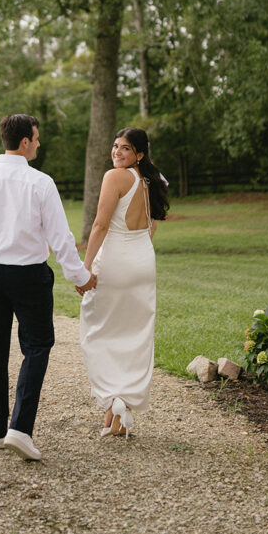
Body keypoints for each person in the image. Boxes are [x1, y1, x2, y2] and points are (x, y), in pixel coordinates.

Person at [0, 113, 96, 461]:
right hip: (28, 276)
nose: (39, 143)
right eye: (36, 138)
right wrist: (81, 277)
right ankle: (20, 428)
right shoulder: (41, 183)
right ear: (24, 143)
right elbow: (60, 238)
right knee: (37, 345)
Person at [78, 127, 169, 438]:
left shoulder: (115, 177)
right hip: (143, 259)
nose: (117, 152)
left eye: (125, 149)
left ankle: (114, 397)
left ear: (139, 155)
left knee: (97, 329)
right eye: (115, 147)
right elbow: (151, 228)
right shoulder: (150, 182)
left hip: (116, 260)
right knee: (133, 333)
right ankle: (118, 412)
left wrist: (85, 266)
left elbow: (101, 224)